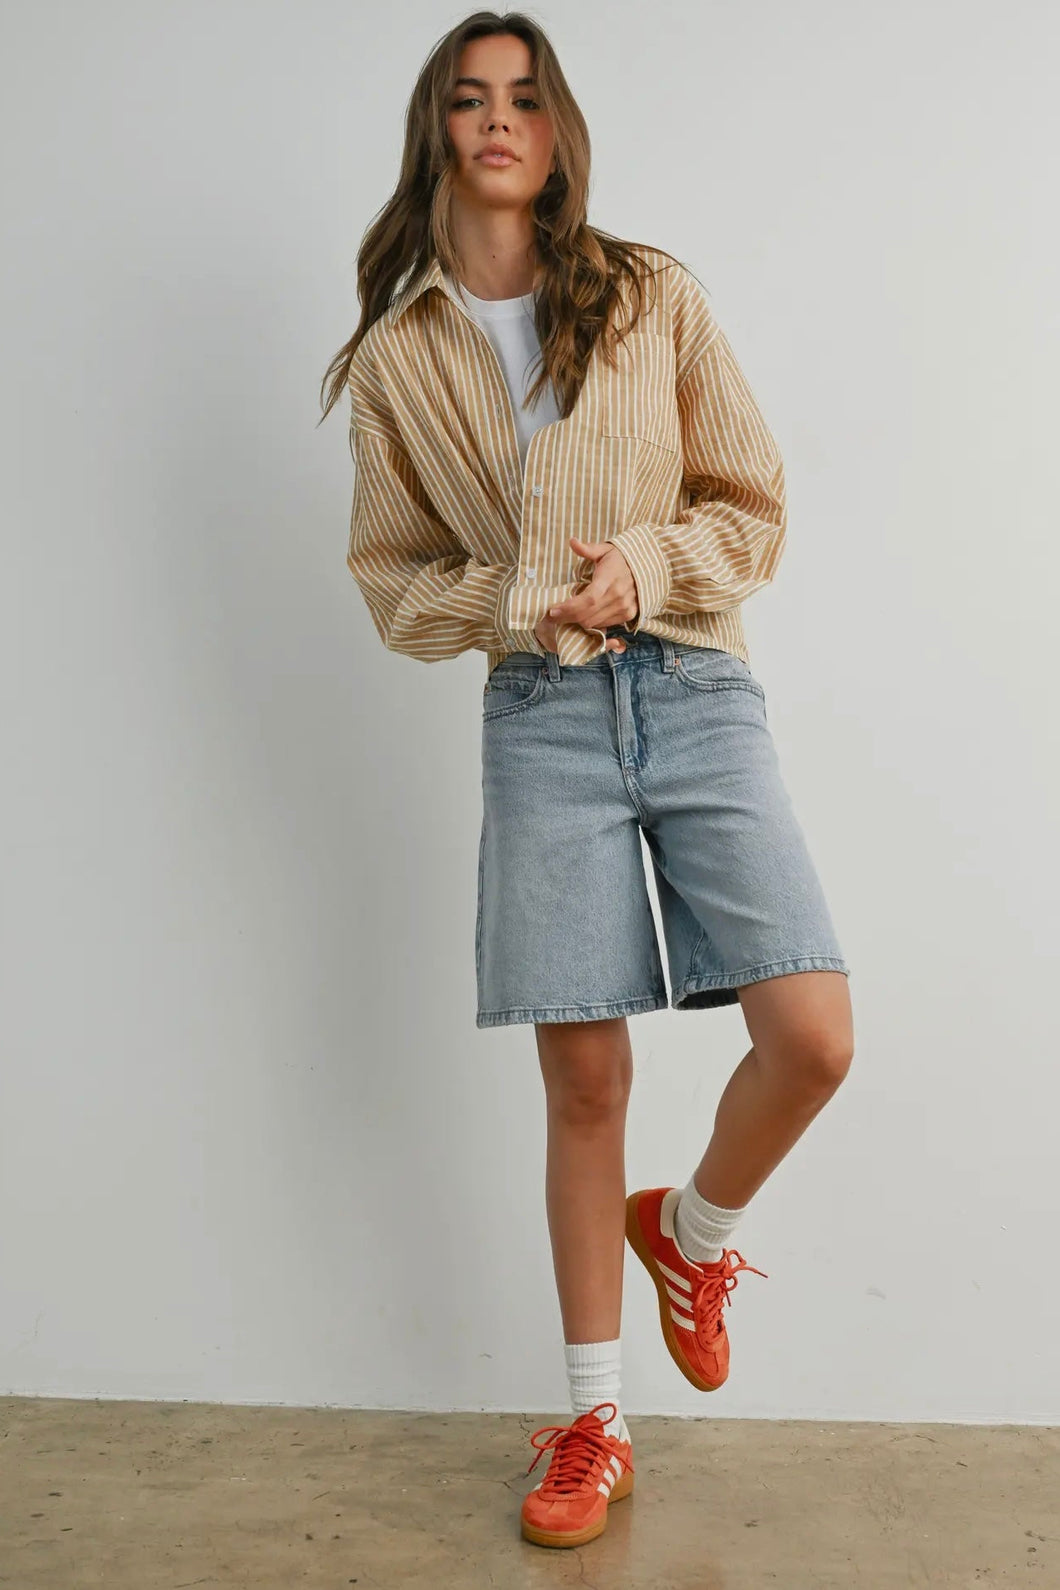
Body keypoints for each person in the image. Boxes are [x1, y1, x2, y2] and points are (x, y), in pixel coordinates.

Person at [320, 9, 855, 1553]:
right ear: (439, 131)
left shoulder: (650, 296)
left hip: (696, 685)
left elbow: (750, 504)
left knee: (811, 1036)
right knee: (586, 1078)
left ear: (557, 133)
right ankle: (593, 1418)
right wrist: (516, 600)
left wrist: (643, 568)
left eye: (526, 98)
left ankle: (692, 1235)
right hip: (539, 716)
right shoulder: (397, 359)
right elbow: (391, 581)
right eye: (471, 99)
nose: (499, 121)